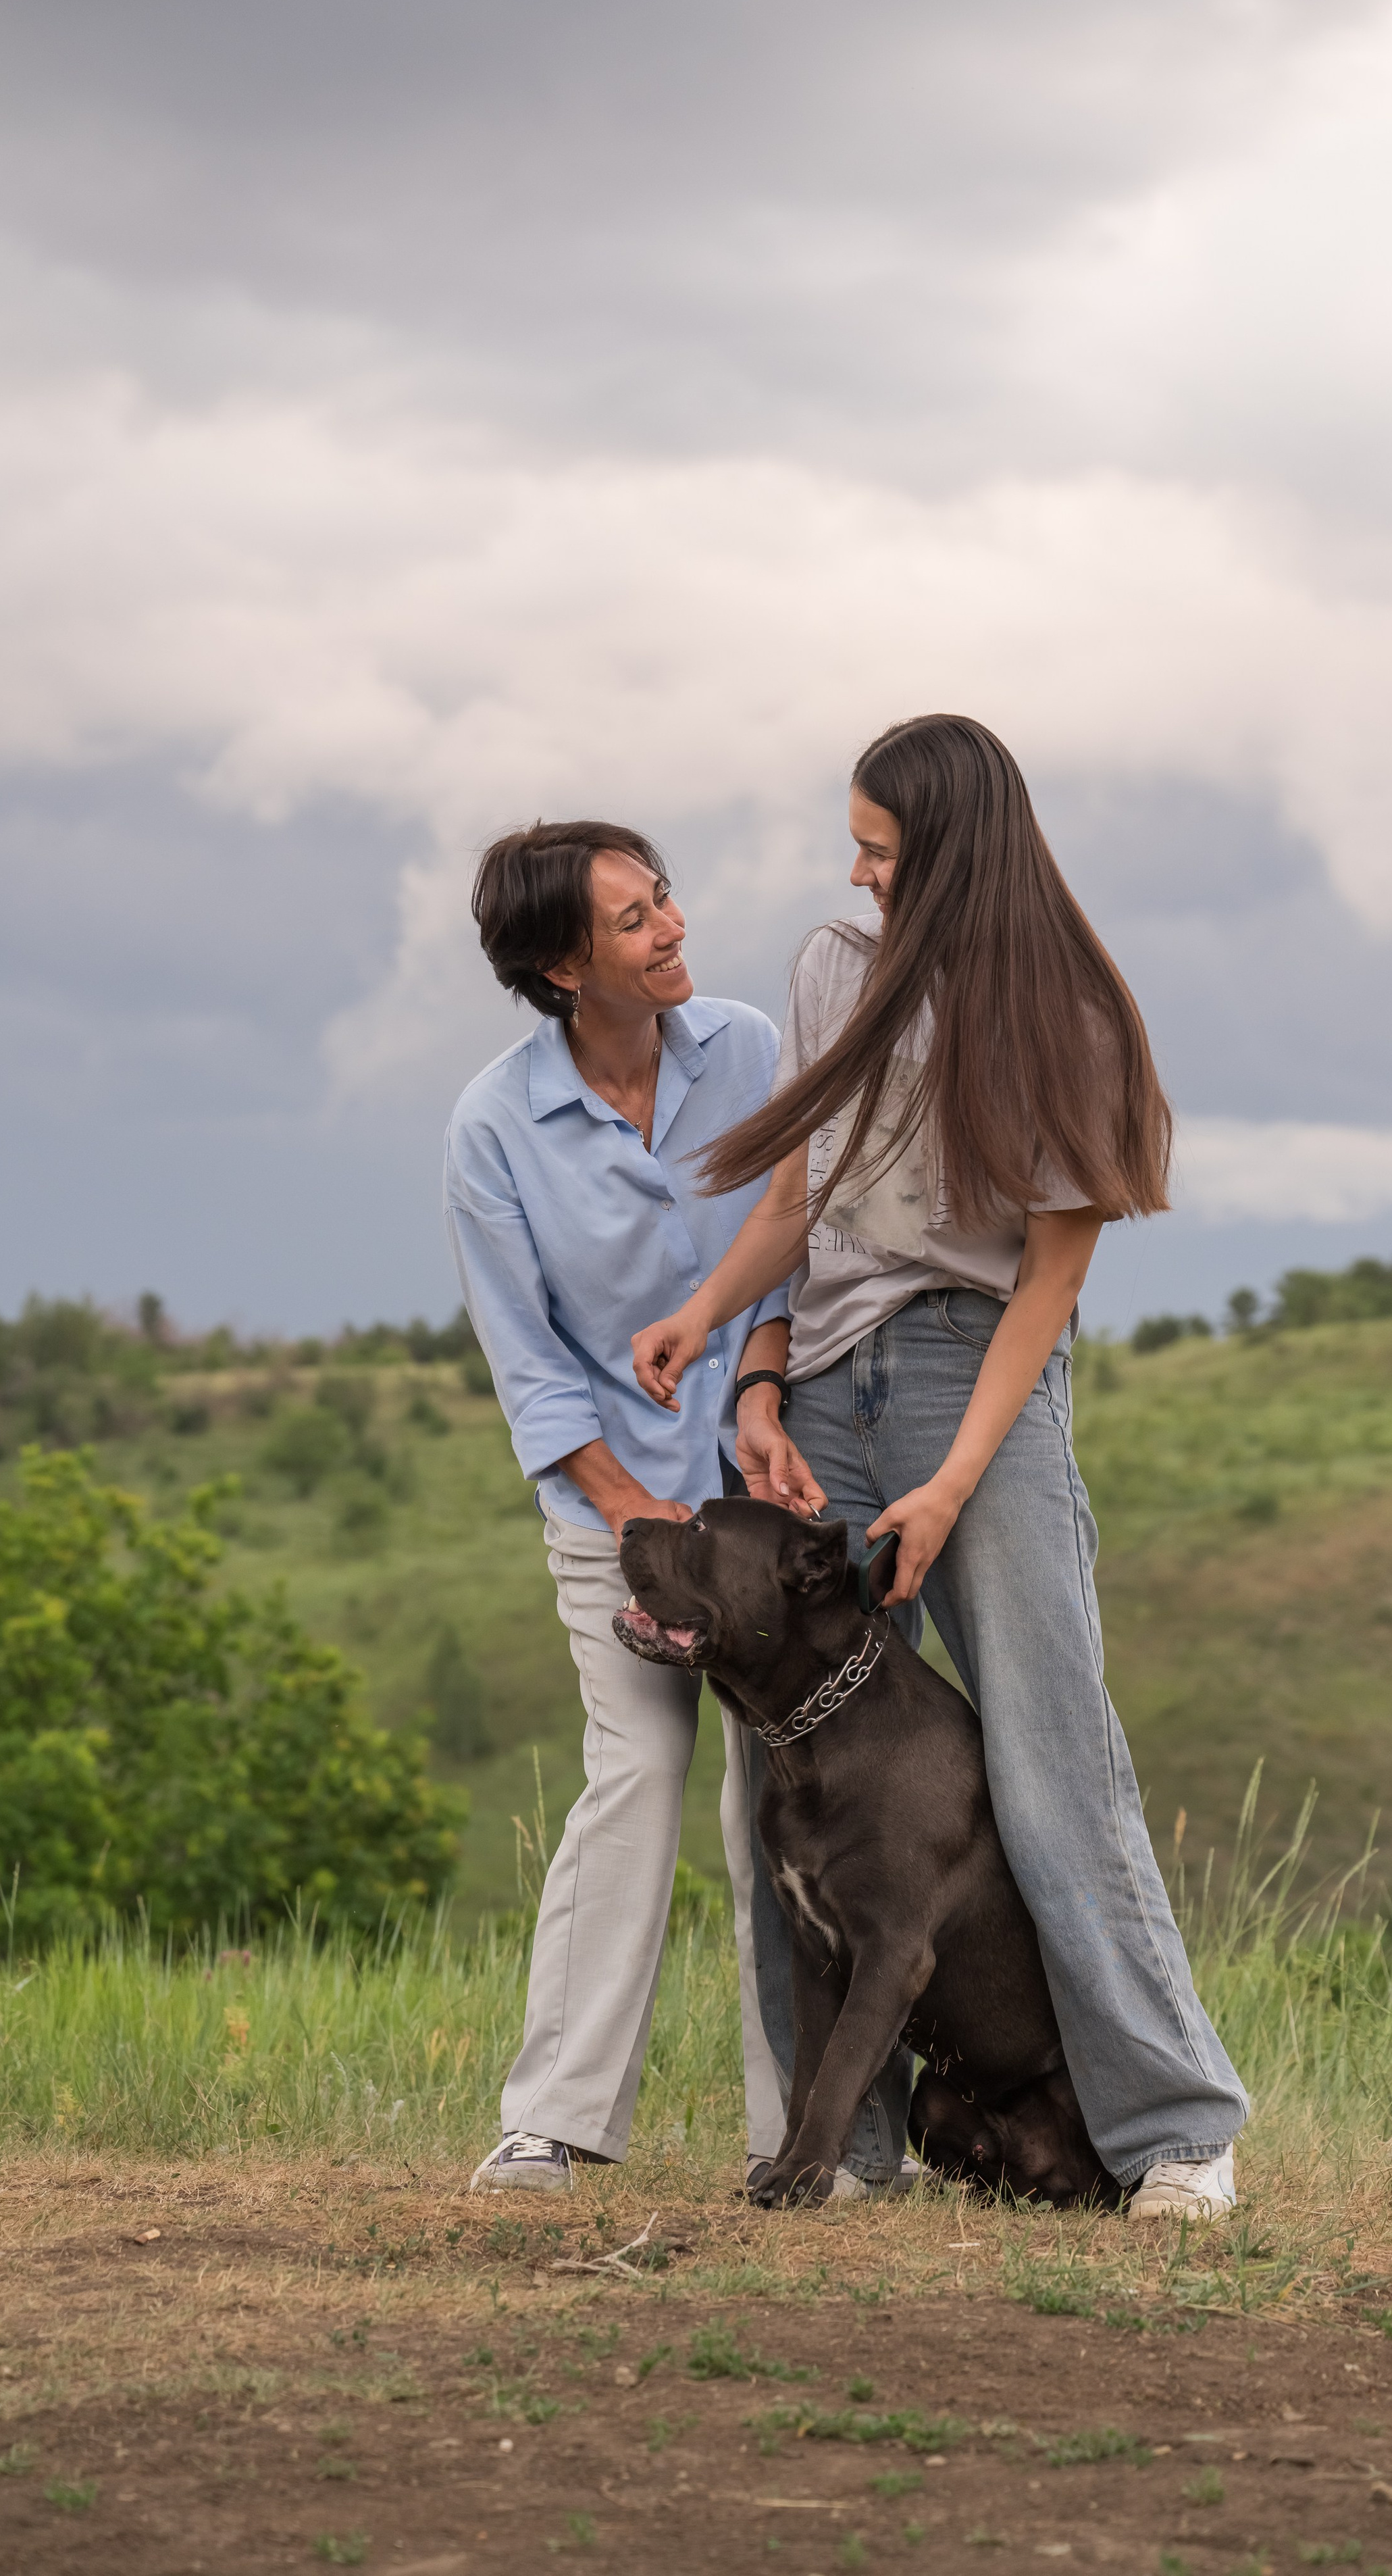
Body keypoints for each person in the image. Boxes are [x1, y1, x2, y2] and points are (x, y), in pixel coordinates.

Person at [631, 715, 1249, 2219]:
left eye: (882, 852)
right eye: (856, 844)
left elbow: (1045, 1284)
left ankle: (1173, 2127)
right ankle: (835, 2153)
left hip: (972, 1389)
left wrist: (955, 1480)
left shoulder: (1071, 1021)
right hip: (826, 1390)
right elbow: (799, 1195)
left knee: (1047, 1761)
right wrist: (729, 1342)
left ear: (957, 856)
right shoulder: (833, 963)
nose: (855, 874)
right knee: (795, 1764)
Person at [444, 818, 794, 2192]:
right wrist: (635, 1515)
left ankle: (808, 2138)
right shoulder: (492, 1128)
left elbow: (790, 1250)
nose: (672, 931)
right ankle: (556, 2122)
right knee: (638, 1776)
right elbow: (530, 1369)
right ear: (555, 964)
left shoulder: (751, 1050)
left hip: (762, 1499)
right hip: (614, 1518)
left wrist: (759, 1389)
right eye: (635, 919)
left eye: (666, 901)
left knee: (780, 1796)